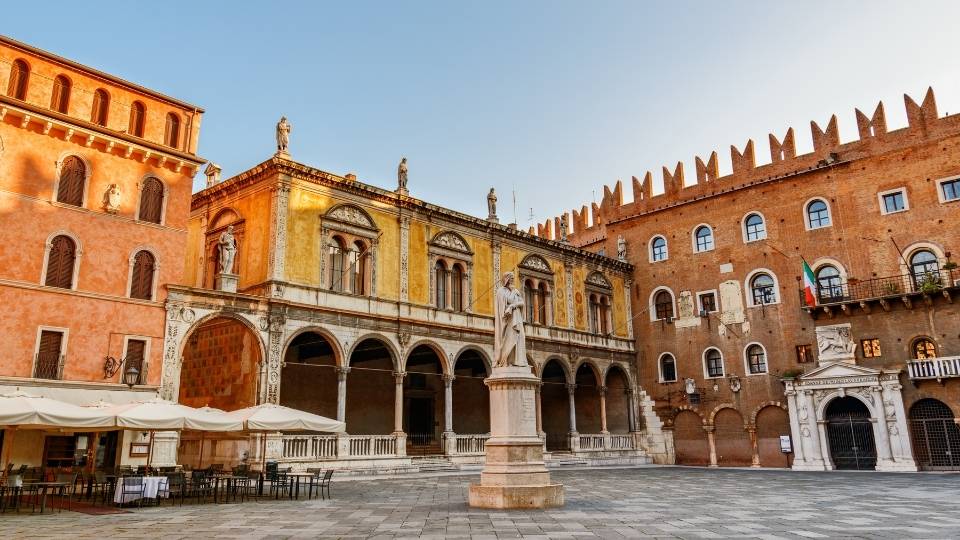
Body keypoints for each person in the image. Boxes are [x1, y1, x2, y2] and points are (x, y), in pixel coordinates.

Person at [494, 272, 528, 367]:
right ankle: (507, 360)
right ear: (506, 279)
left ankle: (518, 361)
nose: (513, 280)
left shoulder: (515, 290)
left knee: (519, 337)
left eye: (513, 278)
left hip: (517, 318)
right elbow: (508, 301)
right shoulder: (501, 291)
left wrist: (514, 305)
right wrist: (513, 294)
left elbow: (522, 303)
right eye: (511, 278)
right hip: (509, 320)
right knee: (509, 339)